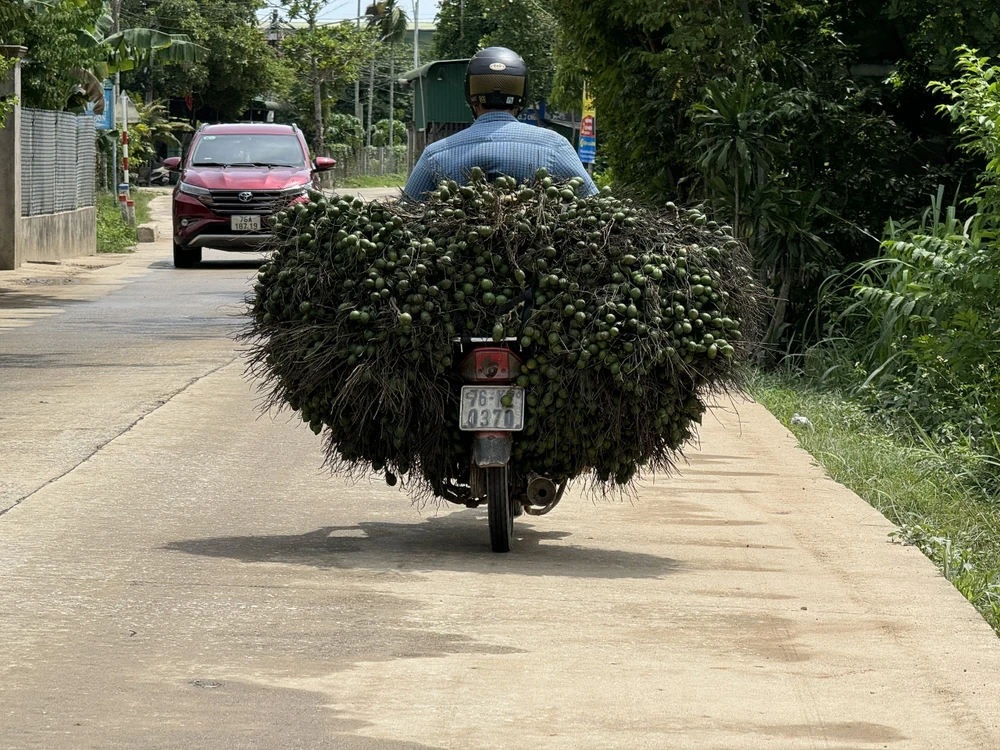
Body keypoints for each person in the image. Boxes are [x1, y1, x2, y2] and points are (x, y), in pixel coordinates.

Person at [403, 47, 599, 201]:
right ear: (521, 96)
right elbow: (594, 207)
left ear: (471, 97)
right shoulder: (555, 146)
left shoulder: (435, 155)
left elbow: (407, 217)